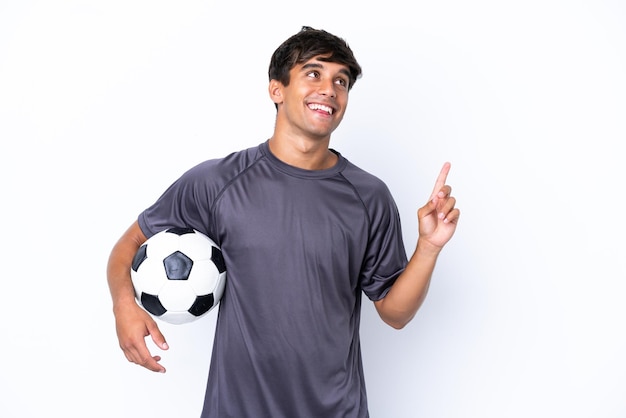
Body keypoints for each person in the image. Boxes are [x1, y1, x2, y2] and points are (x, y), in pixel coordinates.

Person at [107, 26, 460, 418]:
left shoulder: (368, 197)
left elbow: (394, 314)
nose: (329, 88)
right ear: (277, 89)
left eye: (340, 81)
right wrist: (124, 305)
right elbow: (130, 244)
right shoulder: (218, 182)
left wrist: (428, 248)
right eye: (314, 73)